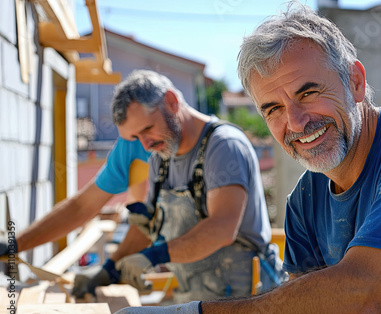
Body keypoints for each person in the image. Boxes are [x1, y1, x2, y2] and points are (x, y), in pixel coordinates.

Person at [82, 3, 381, 314]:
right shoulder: (306, 199)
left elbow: (358, 297)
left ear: (355, 81)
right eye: (274, 109)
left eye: (310, 92)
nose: (296, 123)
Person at [76, 69, 282, 302]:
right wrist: (109, 270)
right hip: (198, 299)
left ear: (172, 103)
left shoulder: (223, 146)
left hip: (249, 301)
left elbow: (222, 228)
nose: (145, 145)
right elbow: (147, 227)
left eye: (147, 129)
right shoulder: (160, 158)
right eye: (135, 137)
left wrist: (153, 256)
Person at [0, 136, 150, 264]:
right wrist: (15, 244)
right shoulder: (131, 142)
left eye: (147, 128)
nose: (144, 140)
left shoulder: (156, 140)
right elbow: (82, 206)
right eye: (132, 133)